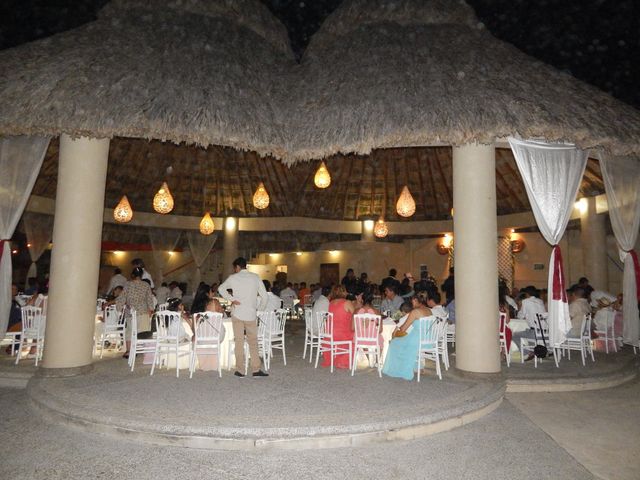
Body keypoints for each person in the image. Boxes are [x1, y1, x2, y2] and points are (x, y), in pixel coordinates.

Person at [218, 257, 269, 378]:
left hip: (238, 313)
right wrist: (259, 310)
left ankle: (240, 370)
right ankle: (256, 369)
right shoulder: (255, 277)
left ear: (237, 267)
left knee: (239, 342)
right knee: (253, 342)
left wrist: (232, 299)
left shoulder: (233, 278)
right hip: (251, 314)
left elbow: (221, 289)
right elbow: (265, 297)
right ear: (245, 265)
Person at [382, 292, 433, 380]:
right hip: (428, 339)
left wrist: (398, 326)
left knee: (394, 343)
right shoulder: (429, 310)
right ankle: (417, 367)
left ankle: (398, 367)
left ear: (416, 300)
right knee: (402, 341)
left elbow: (403, 329)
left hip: (417, 339)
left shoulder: (415, 312)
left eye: (412, 301)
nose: (411, 304)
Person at [117, 267, 155, 358]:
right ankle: (141, 350)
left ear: (132, 275)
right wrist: (151, 310)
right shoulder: (146, 285)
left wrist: (119, 307)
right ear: (141, 275)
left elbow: (122, 297)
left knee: (130, 331)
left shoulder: (128, 284)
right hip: (143, 312)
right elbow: (149, 299)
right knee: (142, 332)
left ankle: (129, 351)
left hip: (131, 312)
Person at [321, 285, 355, 369]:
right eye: (345, 291)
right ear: (343, 292)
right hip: (342, 335)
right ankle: (342, 359)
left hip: (330, 334)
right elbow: (356, 315)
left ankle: (337, 357)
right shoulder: (347, 302)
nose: (347, 292)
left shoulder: (331, 303)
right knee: (356, 334)